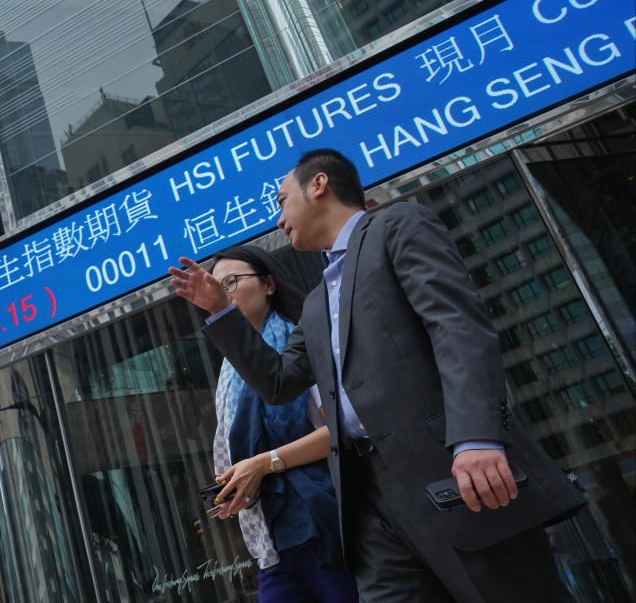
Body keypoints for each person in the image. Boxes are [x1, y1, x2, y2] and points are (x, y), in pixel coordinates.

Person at [170, 148, 586, 602]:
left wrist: (476, 438)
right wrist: (221, 310)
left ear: (319, 185)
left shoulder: (397, 226)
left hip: (447, 470)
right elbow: (278, 381)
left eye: (282, 200)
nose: (278, 220)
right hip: (366, 500)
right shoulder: (314, 305)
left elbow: (457, 328)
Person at [207, 245, 357, 602]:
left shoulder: (301, 344)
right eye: (216, 289)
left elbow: (344, 428)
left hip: (326, 523)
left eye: (231, 282)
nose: (224, 294)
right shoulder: (229, 371)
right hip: (271, 539)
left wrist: (264, 463)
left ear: (269, 285)